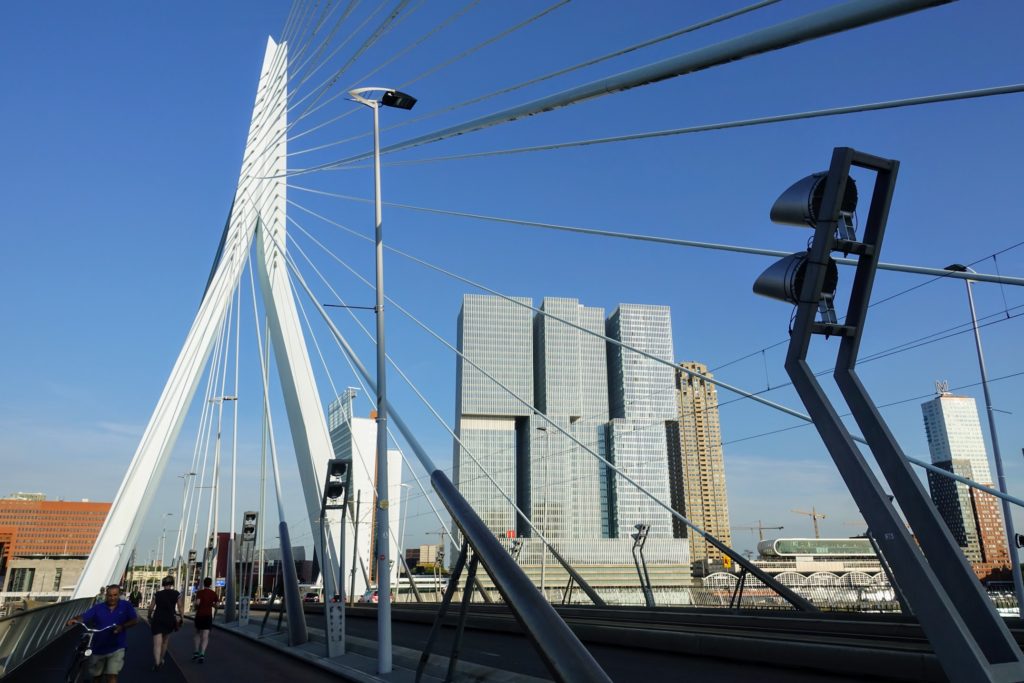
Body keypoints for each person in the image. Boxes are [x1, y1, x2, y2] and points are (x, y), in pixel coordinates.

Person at [66, 584, 139, 683]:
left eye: (115, 595)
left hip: (116, 647)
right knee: (97, 677)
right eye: (110, 595)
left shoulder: (126, 606)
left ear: (119, 595)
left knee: (112, 676)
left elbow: (134, 620)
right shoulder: (98, 608)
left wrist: (122, 626)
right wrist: (75, 619)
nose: (112, 598)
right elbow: (85, 616)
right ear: (106, 595)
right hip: (98, 648)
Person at [147, 576, 183, 670]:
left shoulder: (158, 594)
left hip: (158, 618)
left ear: (163, 584)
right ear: (172, 584)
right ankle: (162, 659)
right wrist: (182, 617)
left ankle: (157, 663)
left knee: (157, 643)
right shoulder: (176, 594)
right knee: (165, 642)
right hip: (169, 619)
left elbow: (151, 607)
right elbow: (180, 606)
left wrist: (149, 616)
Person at [192, 577, 218, 663]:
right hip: (208, 616)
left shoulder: (200, 593)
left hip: (199, 615)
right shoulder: (213, 593)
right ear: (210, 584)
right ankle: (202, 653)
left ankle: (196, 651)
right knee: (205, 636)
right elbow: (217, 605)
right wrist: (211, 605)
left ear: (204, 583)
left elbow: (198, 602)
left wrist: (195, 607)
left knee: (197, 633)